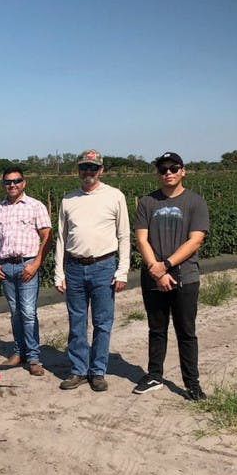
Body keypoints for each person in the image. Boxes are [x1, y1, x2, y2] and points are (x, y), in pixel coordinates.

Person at [133, 151, 210, 401]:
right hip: (153, 275)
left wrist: (165, 265)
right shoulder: (147, 202)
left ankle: (192, 383)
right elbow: (142, 239)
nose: (168, 173)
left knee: (186, 331)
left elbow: (195, 240)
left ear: (183, 171)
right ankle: (154, 374)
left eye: (173, 168)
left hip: (185, 276)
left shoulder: (195, 202)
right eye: (163, 169)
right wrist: (156, 269)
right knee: (157, 329)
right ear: (157, 173)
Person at [54, 149, 131, 392]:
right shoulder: (69, 199)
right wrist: (59, 272)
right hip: (75, 267)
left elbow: (124, 235)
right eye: (84, 167)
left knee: (102, 322)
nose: (88, 172)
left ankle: (98, 371)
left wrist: (123, 270)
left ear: (101, 170)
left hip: (104, 267)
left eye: (93, 167)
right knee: (76, 322)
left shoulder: (115, 196)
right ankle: (78, 370)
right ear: (78, 170)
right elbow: (60, 239)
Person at [0, 165, 51, 375]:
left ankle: (33, 356)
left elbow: (46, 237)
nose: (12, 185)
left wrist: (36, 263)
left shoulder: (35, 206)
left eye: (16, 181)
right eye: (8, 182)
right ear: (3, 184)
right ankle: (18, 351)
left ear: (23, 183)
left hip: (27, 264)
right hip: (6, 265)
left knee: (29, 313)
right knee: (15, 313)